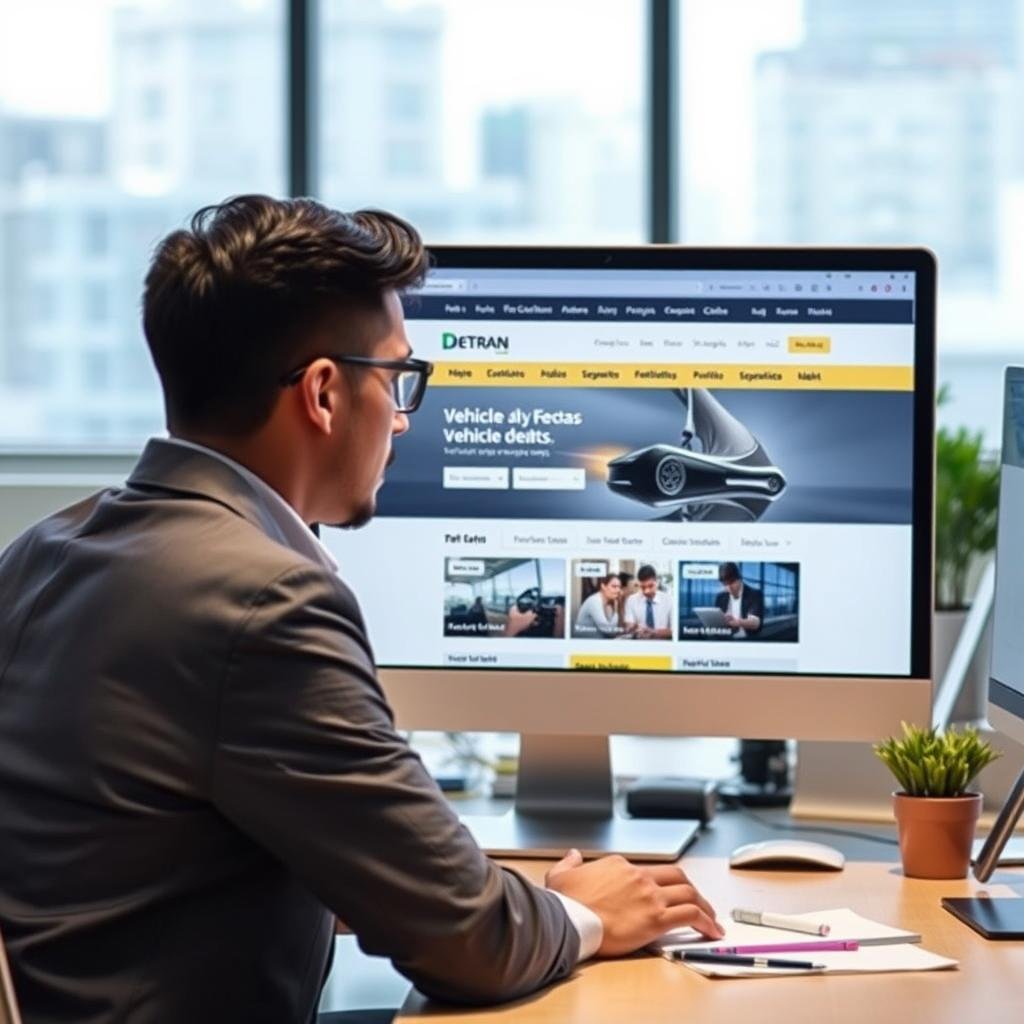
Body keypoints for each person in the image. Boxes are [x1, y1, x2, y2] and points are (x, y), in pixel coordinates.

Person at [0, 195, 722, 1024]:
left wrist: (449, 891)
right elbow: (468, 941)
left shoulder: (42, 551)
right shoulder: (264, 604)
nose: (404, 419)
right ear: (323, 394)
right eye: (397, 378)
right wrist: (581, 913)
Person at [714, 561, 763, 638]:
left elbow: (755, 623)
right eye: (725, 584)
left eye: (732, 583)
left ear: (739, 579)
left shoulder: (754, 594)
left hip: (747, 640)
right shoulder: (720, 597)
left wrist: (736, 622)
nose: (729, 588)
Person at [623, 565, 673, 640]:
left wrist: (653, 632)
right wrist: (632, 627)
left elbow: (674, 630)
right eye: (643, 587)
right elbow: (629, 624)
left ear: (657, 582)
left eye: (651, 586)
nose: (647, 591)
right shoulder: (631, 600)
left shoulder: (669, 600)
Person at [574, 573, 625, 638]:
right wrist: (616, 611)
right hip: (584, 642)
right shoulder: (594, 601)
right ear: (603, 586)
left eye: (619, 587)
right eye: (614, 586)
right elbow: (608, 631)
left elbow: (614, 630)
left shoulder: (610, 603)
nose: (618, 590)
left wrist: (620, 605)